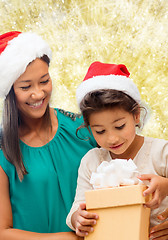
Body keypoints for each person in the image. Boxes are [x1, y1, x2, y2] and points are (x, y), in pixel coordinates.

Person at [0, 31, 97, 239]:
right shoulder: (3, 151)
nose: (38, 94)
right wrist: (70, 238)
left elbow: (130, 173)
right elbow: (2, 232)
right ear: (9, 91)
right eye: (26, 86)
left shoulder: (82, 128)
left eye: (44, 81)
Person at [66, 61, 168, 239]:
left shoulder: (160, 152)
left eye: (119, 126)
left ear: (136, 115)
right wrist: (77, 218)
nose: (112, 138)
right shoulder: (92, 161)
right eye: (100, 131)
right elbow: (79, 205)